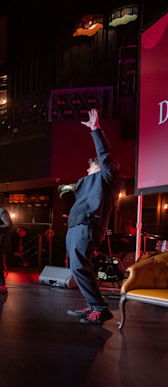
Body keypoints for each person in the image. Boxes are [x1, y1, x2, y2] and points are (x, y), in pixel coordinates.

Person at [65, 108, 122, 324]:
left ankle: (100, 308)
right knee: (78, 267)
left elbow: (105, 156)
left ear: (98, 167)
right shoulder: (89, 182)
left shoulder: (109, 177)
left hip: (88, 225)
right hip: (76, 226)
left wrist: (96, 130)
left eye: (90, 167)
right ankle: (92, 307)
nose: (87, 170)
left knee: (79, 266)